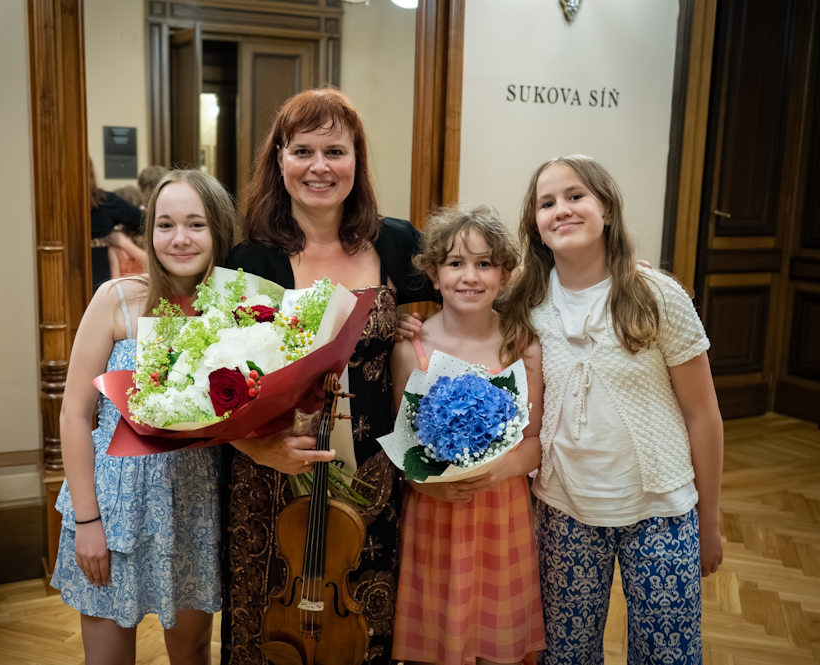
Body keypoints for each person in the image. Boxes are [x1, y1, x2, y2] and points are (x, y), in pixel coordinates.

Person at [220, 86, 433, 665]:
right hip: (272, 483)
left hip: (372, 483)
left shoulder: (395, 241)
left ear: (356, 160)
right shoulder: (250, 259)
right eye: (303, 151)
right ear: (280, 160)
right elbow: (214, 390)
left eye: (335, 151)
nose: (320, 166)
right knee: (268, 635)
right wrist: (260, 450)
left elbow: (476, 288)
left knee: (360, 630)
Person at [503, 155, 723, 664]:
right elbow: (463, 304)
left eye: (576, 195)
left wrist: (709, 521)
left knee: (668, 655)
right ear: (535, 226)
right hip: (564, 511)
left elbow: (703, 415)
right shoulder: (526, 301)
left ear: (606, 209)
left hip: (661, 512)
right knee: (566, 655)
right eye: (546, 203)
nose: (561, 209)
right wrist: (410, 325)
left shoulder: (657, 296)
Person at [52, 169, 237, 665]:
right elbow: (74, 413)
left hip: (195, 506)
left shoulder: (237, 310)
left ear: (218, 230)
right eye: (165, 225)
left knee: (192, 652)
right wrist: (88, 520)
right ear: (149, 230)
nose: (180, 238)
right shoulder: (116, 299)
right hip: (115, 507)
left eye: (196, 224)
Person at [390, 204, 545, 665]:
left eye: (485, 264)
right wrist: (426, 484)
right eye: (455, 263)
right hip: (434, 516)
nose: (470, 276)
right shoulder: (410, 350)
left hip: (502, 513)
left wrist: (496, 472)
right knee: (436, 641)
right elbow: (403, 449)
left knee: (497, 643)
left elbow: (534, 442)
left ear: (504, 274)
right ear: (433, 275)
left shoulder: (522, 345)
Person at [89, 160, 146, 290]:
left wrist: (124, 243)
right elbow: (115, 284)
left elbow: (156, 267)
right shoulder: (113, 249)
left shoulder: (107, 203)